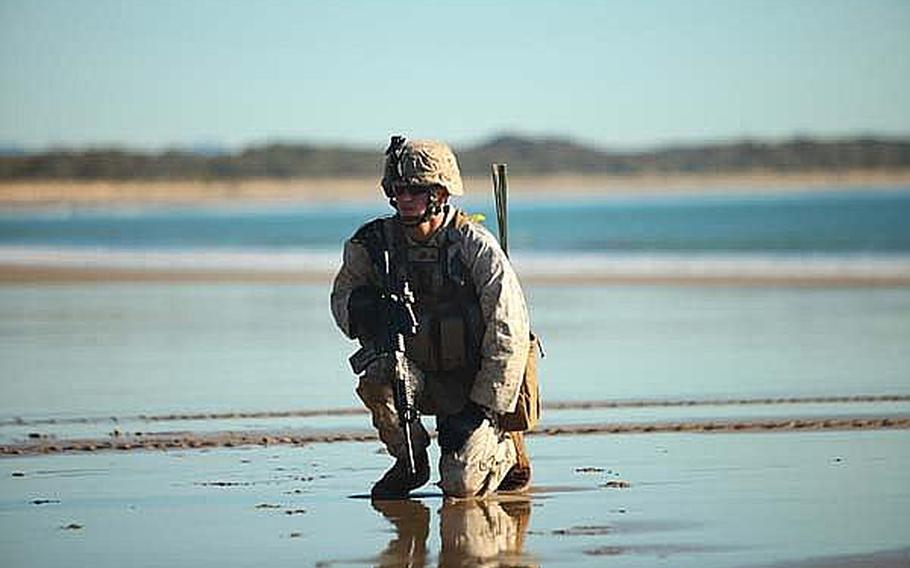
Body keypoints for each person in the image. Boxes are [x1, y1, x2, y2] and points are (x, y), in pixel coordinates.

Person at [330, 136, 532, 499]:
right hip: (416, 374)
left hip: (474, 383)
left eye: (415, 190)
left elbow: (509, 334)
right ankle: (410, 461)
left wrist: (481, 407)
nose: (404, 198)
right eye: (398, 189)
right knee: (377, 378)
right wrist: (364, 307)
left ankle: (504, 450)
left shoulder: (475, 246)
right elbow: (341, 300)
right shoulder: (374, 244)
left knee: (460, 487)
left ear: (441, 193)